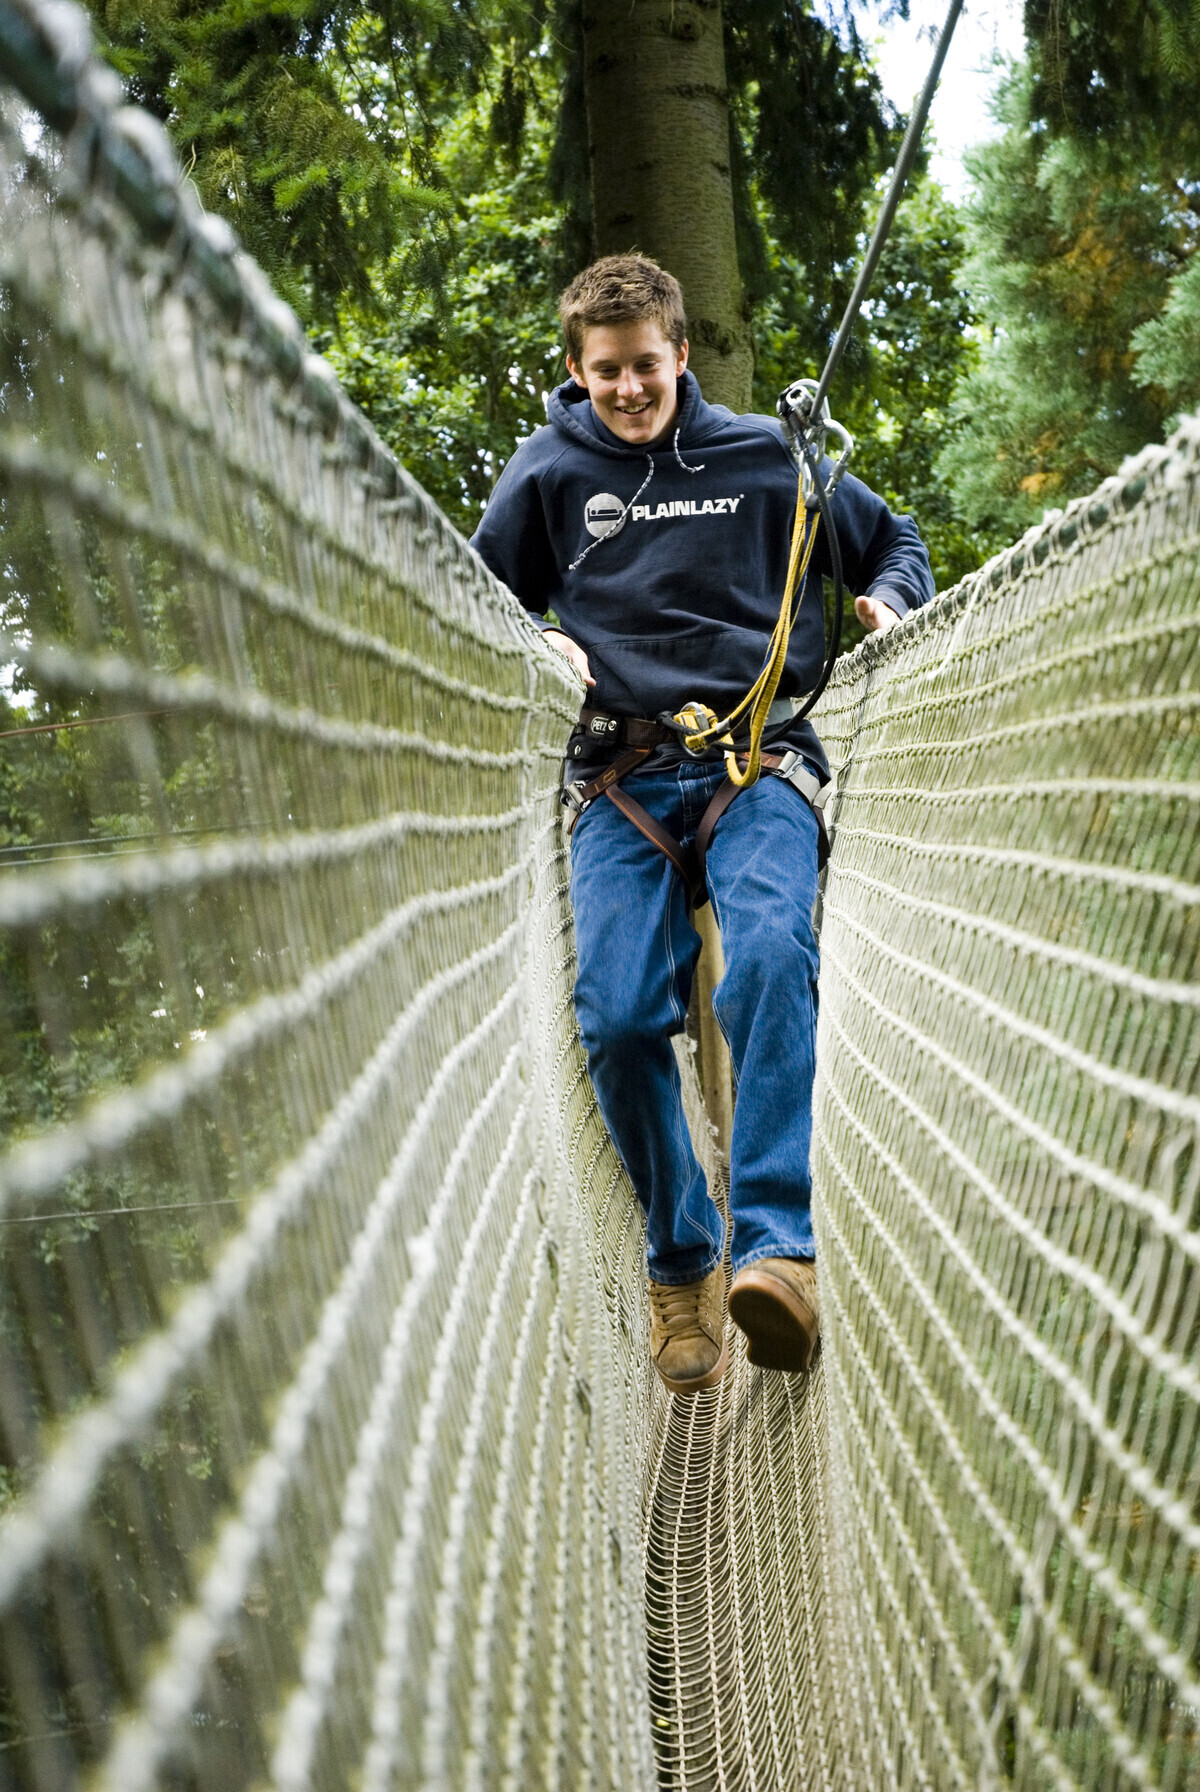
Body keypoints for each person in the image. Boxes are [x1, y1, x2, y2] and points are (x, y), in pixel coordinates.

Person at [471, 254, 933, 1394]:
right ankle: (681, 1259)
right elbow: (484, 599)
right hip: (620, 772)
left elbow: (894, 542)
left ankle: (776, 1252)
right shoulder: (548, 472)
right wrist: (540, 638)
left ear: (681, 353)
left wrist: (890, 602)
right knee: (620, 1018)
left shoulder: (769, 456)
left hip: (756, 755)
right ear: (576, 370)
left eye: (646, 364)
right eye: (606, 371)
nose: (629, 388)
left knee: (769, 959)